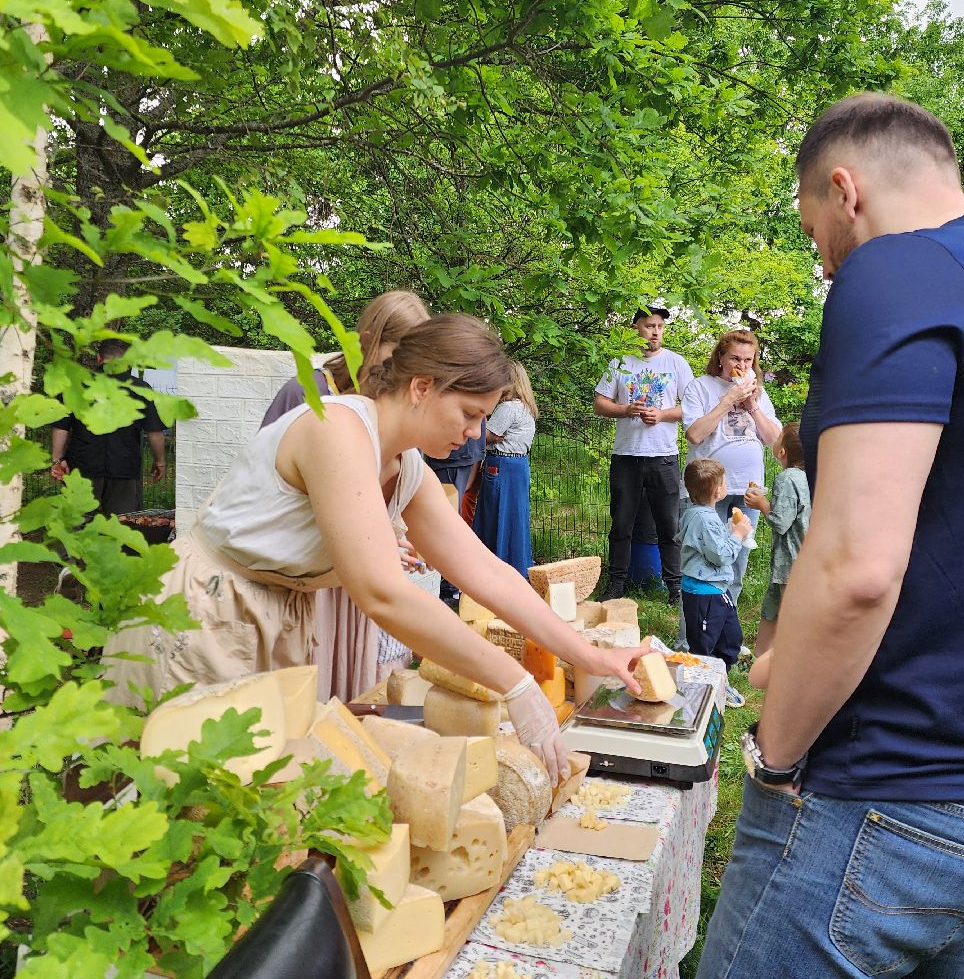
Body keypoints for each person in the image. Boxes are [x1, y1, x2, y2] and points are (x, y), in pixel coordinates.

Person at [697, 93, 964, 979]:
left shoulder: (897, 270)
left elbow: (856, 569)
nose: (826, 267)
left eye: (817, 232)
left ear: (844, 190)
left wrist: (773, 758)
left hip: (891, 793)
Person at [104, 314, 649, 782]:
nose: (477, 434)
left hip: (275, 616)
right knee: (182, 798)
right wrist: (515, 682)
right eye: (469, 413)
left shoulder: (406, 465)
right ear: (421, 386)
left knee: (254, 805)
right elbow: (381, 592)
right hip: (207, 613)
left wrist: (591, 656)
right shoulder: (338, 429)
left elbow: (488, 572)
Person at [255, 290, 431, 698]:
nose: (402, 368)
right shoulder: (309, 392)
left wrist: (391, 533)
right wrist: (377, 538)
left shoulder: (390, 401)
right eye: (395, 352)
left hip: (351, 577)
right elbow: (286, 495)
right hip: (302, 573)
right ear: (367, 339)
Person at [594, 306, 695, 604]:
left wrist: (663, 414)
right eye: (649, 325)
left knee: (669, 525)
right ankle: (616, 585)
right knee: (621, 523)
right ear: (635, 327)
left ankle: (675, 588)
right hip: (626, 455)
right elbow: (599, 403)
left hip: (663, 456)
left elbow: (693, 406)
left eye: (660, 326)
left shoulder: (676, 363)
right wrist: (625, 410)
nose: (655, 332)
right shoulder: (620, 362)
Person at [681, 330, 782, 609]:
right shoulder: (700, 387)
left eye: (749, 359)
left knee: (737, 564)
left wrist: (752, 408)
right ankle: (690, 639)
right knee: (704, 561)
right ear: (721, 358)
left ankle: (726, 629)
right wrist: (728, 400)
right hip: (709, 489)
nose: (742, 364)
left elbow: (776, 443)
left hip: (749, 490)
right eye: (735, 358)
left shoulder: (758, 392)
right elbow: (695, 435)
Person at [258, 290, 430, 429]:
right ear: (368, 342)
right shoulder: (306, 393)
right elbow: (259, 465)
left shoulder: (403, 410)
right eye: (400, 355)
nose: (409, 371)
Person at [50, 339, 167, 516]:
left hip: (82, 465)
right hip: (124, 466)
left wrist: (57, 459)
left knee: (76, 522)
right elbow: (154, 431)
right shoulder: (140, 388)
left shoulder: (75, 384)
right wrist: (160, 461)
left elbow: (61, 426)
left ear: (98, 359)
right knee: (121, 525)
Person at [678, 459, 747, 704]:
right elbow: (720, 555)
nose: (726, 486)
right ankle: (700, 694)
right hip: (704, 593)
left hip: (717, 589)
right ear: (718, 492)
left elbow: (710, 546)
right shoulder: (704, 519)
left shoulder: (701, 513)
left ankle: (719, 681)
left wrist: (730, 531)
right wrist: (738, 535)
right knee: (703, 647)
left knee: (731, 639)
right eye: (725, 482)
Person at [741, 423, 810, 665]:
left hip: (791, 562)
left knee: (790, 614)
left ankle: (790, 664)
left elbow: (781, 521)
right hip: (793, 561)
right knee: (771, 608)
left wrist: (761, 503)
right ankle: (761, 658)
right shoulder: (809, 475)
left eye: (779, 437)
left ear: (782, 453)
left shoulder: (787, 478)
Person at [473, 360, 537, 576]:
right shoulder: (526, 407)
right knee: (515, 517)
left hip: (500, 465)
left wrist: (475, 420)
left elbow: (489, 436)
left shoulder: (508, 408)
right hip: (519, 465)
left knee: (494, 515)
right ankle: (518, 566)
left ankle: (492, 567)